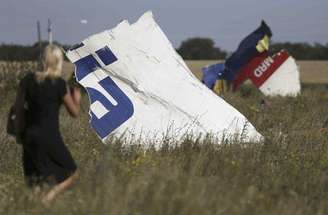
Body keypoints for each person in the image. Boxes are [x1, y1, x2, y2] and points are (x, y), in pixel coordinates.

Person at [14, 44, 81, 204]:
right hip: (50, 137)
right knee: (72, 172)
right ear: (58, 62)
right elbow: (75, 113)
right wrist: (77, 99)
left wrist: (19, 134)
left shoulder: (27, 80)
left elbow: (18, 110)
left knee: (34, 182)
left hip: (29, 136)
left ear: (42, 60)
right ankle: (48, 198)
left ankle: (36, 208)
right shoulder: (59, 84)